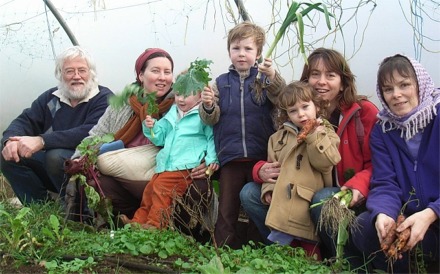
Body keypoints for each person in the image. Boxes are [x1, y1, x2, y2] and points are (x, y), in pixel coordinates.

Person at [240, 48, 378, 258]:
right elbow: (276, 149)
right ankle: (288, 251)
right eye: (315, 74)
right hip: (301, 190)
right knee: (250, 193)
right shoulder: (295, 114)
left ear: (343, 81)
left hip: (344, 194)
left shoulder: (363, 112)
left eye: (330, 75)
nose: (322, 81)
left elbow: (378, 164)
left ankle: (340, 258)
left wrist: (355, 186)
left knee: (323, 198)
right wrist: (261, 171)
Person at [69, 48, 209, 227]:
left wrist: (205, 159)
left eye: (167, 72)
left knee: (171, 185)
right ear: (141, 75)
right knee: (98, 179)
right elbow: (97, 134)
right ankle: (129, 223)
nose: (162, 77)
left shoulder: (183, 103)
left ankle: (166, 226)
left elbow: (206, 133)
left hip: (167, 173)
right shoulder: (124, 104)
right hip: (129, 180)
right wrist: (79, 158)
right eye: (155, 71)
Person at [347, 54, 439, 272]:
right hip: (413, 222)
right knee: (364, 228)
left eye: (404, 85)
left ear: (420, 85)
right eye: (388, 89)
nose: (396, 95)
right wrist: (383, 213)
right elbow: (385, 181)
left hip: (432, 216)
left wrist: (431, 213)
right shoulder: (383, 130)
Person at [199, 21, 286, 248]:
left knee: (259, 202)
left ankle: (257, 247)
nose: (241, 54)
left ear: (257, 53)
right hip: (230, 156)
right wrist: (207, 105)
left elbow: (282, 99)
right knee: (227, 207)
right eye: (236, 48)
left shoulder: (264, 78)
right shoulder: (219, 83)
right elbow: (211, 118)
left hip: (261, 156)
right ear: (229, 51)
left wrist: (273, 76)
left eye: (248, 49)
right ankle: (223, 248)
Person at [1, 46, 113, 205]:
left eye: (82, 70)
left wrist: (41, 141)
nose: (76, 76)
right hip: (52, 163)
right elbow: (25, 120)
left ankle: (76, 209)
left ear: (91, 74)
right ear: (60, 75)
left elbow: (90, 132)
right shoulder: (51, 97)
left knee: (55, 157)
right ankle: (40, 205)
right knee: (8, 152)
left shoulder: (104, 98)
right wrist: (10, 141)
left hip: (89, 167)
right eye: (69, 71)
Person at [119, 87, 219, 229]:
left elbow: (212, 138)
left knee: (162, 190)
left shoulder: (202, 116)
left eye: (186, 95)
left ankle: (156, 225)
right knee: (150, 191)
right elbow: (159, 139)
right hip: (166, 164)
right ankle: (137, 222)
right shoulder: (173, 113)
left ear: (200, 97)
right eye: (178, 94)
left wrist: (212, 159)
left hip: (186, 164)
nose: (180, 99)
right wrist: (151, 127)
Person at [262, 81, 341, 259]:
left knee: (309, 248)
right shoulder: (277, 137)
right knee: (283, 247)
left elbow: (326, 163)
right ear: (286, 114)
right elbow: (271, 166)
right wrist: (267, 189)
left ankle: (317, 264)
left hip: (306, 199)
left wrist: (313, 135)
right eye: (293, 111)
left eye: (305, 107)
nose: (301, 114)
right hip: (282, 198)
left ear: (317, 106)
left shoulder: (326, 132)